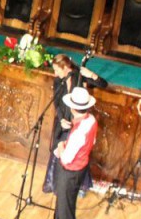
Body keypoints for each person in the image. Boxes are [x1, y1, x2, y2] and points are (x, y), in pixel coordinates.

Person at [39, 86, 98, 219]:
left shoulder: (79, 132)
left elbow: (66, 158)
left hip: (70, 171)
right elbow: (91, 141)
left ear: (73, 108)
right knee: (62, 201)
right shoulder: (91, 120)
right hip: (78, 168)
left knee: (66, 207)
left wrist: (60, 145)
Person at [43, 54, 107, 194]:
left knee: (74, 154)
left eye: (57, 70)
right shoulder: (58, 80)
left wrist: (91, 74)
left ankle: (77, 186)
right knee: (57, 150)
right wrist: (61, 119)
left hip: (77, 123)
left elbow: (103, 84)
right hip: (63, 121)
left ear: (66, 67)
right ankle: (53, 184)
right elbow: (57, 102)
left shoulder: (80, 75)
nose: (55, 73)